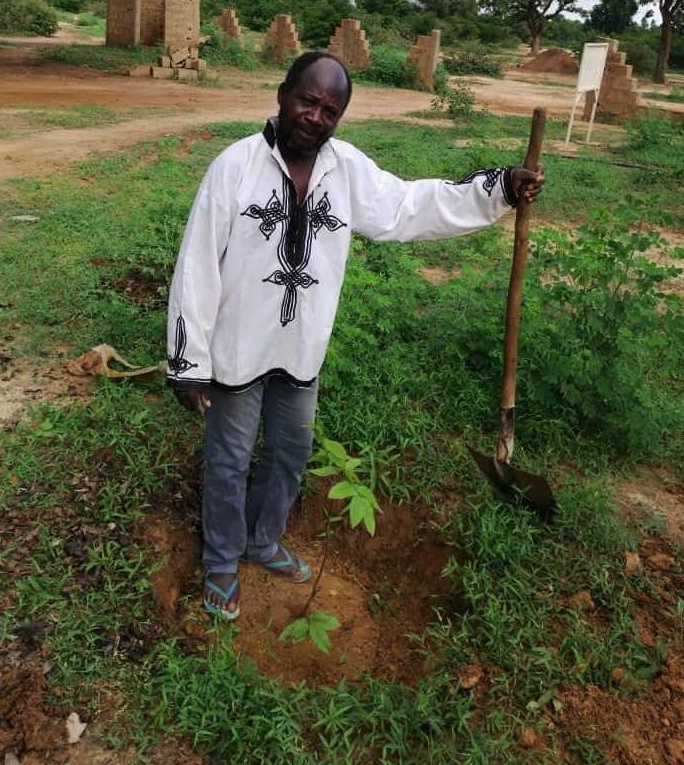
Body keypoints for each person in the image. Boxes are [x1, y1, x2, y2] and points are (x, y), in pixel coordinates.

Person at [167, 51, 544, 620]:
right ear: (281, 94)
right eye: (307, 101)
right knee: (228, 459)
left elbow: (410, 205)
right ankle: (221, 559)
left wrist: (498, 191)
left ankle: (261, 543)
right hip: (235, 351)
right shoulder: (234, 167)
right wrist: (187, 362)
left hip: (301, 352)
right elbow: (197, 265)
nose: (315, 117)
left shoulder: (345, 171)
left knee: (289, 454)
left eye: (330, 109)